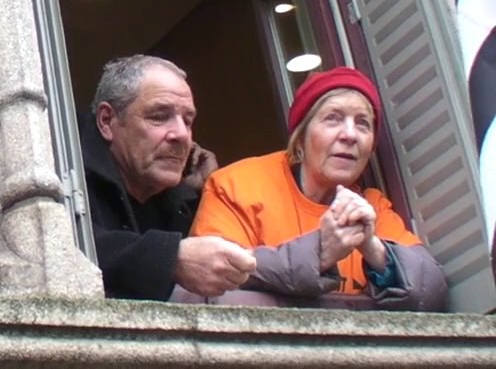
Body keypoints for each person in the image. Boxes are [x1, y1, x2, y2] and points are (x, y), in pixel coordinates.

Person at [190, 66, 446, 310]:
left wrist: (373, 248)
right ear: (300, 138)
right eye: (333, 119)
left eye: (363, 123)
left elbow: (431, 291)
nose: (350, 135)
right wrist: (321, 252)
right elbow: (213, 281)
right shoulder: (238, 185)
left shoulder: (371, 206)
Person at [82, 55, 257, 300]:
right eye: (159, 116)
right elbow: (62, 250)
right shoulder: (66, 176)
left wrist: (209, 194)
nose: (182, 135)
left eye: (188, 120)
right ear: (107, 121)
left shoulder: (185, 199)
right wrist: (171, 258)